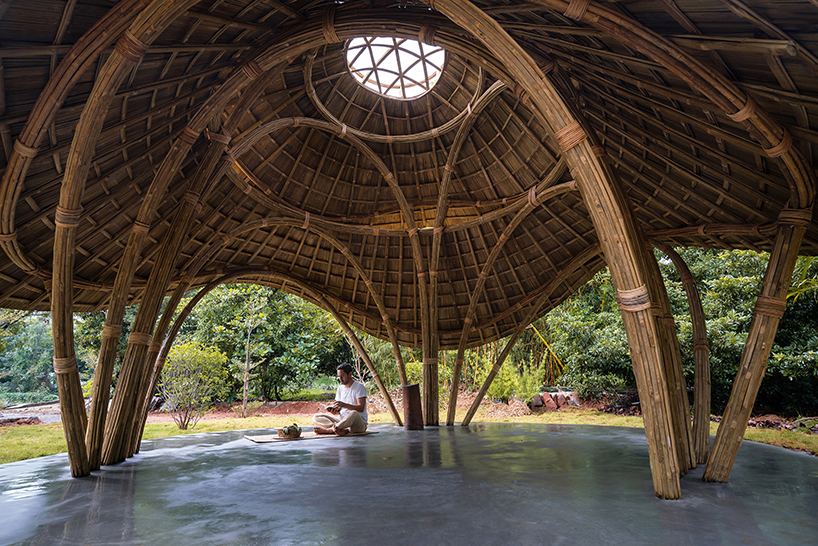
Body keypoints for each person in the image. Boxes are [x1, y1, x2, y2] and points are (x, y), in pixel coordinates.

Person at [312, 363, 368, 436]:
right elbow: (340, 409)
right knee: (316, 417)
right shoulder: (340, 389)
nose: (340, 379)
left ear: (350, 374)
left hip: (357, 424)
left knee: (353, 413)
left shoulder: (359, 387)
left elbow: (361, 408)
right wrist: (334, 411)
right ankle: (339, 428)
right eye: (339, 376)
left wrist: (344, 405)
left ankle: (331, 430)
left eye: (342, 376)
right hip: (342, 421)